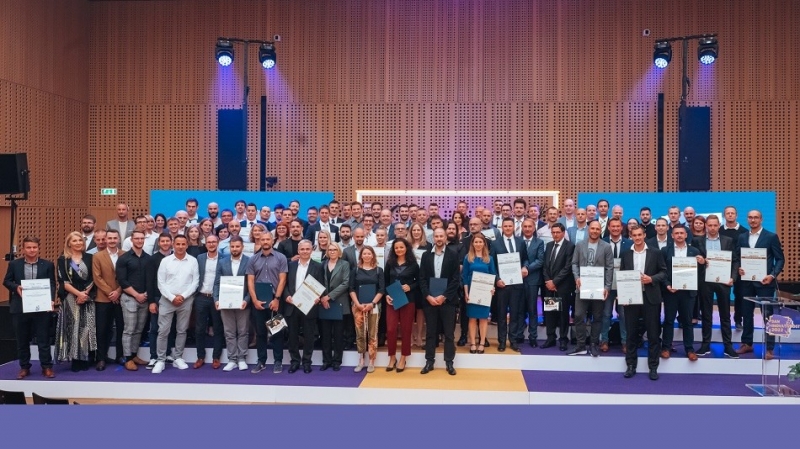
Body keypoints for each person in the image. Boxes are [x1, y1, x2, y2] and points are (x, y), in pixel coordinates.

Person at [3, 236, 57, 379]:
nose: (32, 250)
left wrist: (51, 300)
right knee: (22, 340)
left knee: (43, 339)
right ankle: (24, 367)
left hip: (41, 307)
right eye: (28, 247)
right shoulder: (14, 264)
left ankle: (46, 367)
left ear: (38, 248)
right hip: (20, 307)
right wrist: (16, 287)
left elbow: (52, 284)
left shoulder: (48, 264)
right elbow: (6, 281)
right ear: (23, 249)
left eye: (34, 247)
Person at [621, 225, 667, 381]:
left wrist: (651, 279)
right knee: (631, 334)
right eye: (634, 235)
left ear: (644, 235)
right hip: (631, 298)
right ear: (631, 236)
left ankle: (653, 367)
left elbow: (663, 272)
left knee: (653, 334)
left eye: (639, 235)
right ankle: (630, 365)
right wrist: (623, 296)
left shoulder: (655, 252)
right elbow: (622, 275)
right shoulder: (626, 254)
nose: (637, 238)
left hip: (651, 297)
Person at [691, 214, 740, 358]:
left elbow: (735, 260)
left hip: (723, 281)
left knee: (725, 315)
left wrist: (733, 277)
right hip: (705, 282)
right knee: (706, 314)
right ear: (706, 226)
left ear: (719, 226)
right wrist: (699, 261)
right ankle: (705, 344)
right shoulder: (697, 241)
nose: (712, 228)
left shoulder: (728, 240)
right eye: (710, 225)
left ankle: (728, 346)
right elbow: (692, 260)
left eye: (715, 225)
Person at [737, 210, 784, 359]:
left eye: (756, 217)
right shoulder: (742, 237)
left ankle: (770, 348)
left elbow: (780, 259)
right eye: (750, 217)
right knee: (746, 314)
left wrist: (772, 275)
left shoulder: (771, 236)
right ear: (747, 219)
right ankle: (747, 343)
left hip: (765, 282)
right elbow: (738, 257)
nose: (753, 220)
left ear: (761, 219)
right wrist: (739, 268)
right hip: (747, 282)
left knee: (768, 315)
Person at [152, 235, 200, 374]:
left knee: (182, 330)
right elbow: (161, 282)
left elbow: (195, 282)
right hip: (167, 300)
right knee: (163, 331)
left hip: (186, 300)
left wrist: (183, 296)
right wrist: (172, 297)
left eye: (183, 244)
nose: (180, 246)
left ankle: (178, 357)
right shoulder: (165, 261)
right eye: (177, 244)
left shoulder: (193, 261)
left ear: (187, 245)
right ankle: (160, 360)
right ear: (173, 245)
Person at [419, 228, 460, 375]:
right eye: (436, 236)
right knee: (431, 333)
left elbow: (456, 279)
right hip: (430, 301)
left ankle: (449, 362)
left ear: (445, 237)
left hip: (447, 301)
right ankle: (429, 362)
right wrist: (428, 296)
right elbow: (422, 279)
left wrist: (444, 296)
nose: (439, 238)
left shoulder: (453, 255)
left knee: (449, 334)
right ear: (433, 238)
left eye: (441, 236)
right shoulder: (425, 256)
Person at [660, 225, 703, 361]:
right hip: (671, 292)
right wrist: (667, 284)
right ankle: (666, 347)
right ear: (672, 235)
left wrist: (702, 263)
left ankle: (689, 349)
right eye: (676, 233)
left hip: (688, 292)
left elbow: (699, 272)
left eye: (681, 233)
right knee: (669, 320)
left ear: (686, 235)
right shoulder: (665, 250)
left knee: (687, 322)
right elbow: (662, 270)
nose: (679, 235)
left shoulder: (694, 251)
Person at [247, 231, 288, 374]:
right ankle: (261, 361)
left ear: (272, 241)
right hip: (258, 301)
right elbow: (250, 281)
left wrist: (277, 299)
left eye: (267, 239)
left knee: (277, 332)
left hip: (275, 300)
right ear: (259, 241)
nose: (265, 242)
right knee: (260, 333)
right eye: (262, 239)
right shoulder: (253, 259)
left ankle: (278, 361)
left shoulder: (281, 257)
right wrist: (254, 300)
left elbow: (282, 280)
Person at [570, 220, 613, 357]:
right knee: (578, 315)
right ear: (589, 229)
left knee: (597, 316)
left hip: (598, 287)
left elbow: (609, 268)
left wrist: (607, 286)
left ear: (600, 231)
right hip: (582, 286)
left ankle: (594, 344)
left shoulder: (606, 247)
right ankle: (581, 345)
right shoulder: (580, 245)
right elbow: (574, 263)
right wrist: (577, 277)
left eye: (597, 229)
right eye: (592, 228)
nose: (594, 231)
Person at [56, 231, 97, 372]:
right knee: (73, 327)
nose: (78, 243)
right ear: (69, 243)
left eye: (80, 240)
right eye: (74, 241)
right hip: (70, 297)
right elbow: (63, 281)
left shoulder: (90, 257)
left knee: (86, 328)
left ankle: (85, 358)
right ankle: (74, 358)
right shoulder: (63, 260)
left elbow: (94, 277)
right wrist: (78, 294)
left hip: (87, 297)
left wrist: (84, 294)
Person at [282, 240, 324, 374]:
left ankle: (306, 362)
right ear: (298, 251)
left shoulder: (318, 266)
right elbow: (284, 284)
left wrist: (318, 297)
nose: (305, 251)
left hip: (309, 306)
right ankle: (294, 361)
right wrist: (286, 296)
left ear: (311, 250)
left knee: (309, 336)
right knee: (292, 336)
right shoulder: (291, 265)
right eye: (302, 249)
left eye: (307, 249)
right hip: (292, 305)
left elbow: (321, 285)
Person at [115, 230, 151, 371]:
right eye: (137, 238)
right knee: (129, 330)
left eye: (142, 238)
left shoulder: (148, 258)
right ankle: (128, 358)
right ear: (131, 240)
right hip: (130, 298)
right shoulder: (124, 259)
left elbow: (151, 279)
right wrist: (137, 295)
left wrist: (145, 294)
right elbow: (122, 281)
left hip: (144, 299)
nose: (140, 241)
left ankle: (134, 355)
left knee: (138, 330)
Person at [491, 218, 529, 352]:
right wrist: (497, 279)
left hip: (517, 284)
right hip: (502, 285)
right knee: (501, 315)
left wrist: (525, 267)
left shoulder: (520, 242)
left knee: (515, 314)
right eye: (505, 226)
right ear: (502, 228)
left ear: (514, 227)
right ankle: (502, 341)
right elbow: (492, 264)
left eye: (510, 226)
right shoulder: (495, 243)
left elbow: (525, 259)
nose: (507, 228)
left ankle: (513, 341)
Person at [214, 236, 251, 371]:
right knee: (229, 332)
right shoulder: (222, 262)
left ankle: (241, 358)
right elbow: (217, 282)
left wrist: (246, 300)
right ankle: (232, 359)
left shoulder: (249, 261)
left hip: (243, 303)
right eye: (232, 246)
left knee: (243, 331)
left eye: (237, 246)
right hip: (226, 302)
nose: (235, 249)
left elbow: (252, 284)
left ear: (242, 247)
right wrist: (216, 299)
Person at [384, 238, 420, 373]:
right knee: (391, 329)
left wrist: (410, 287)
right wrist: (386, 295)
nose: (399, 250)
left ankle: (403, 357)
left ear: (406, 248)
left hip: (408, 300)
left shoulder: (413, 265)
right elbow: (385, 281)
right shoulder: (390, 263)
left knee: (406, 329)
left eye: (401, 247)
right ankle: (392, 357)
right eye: (396, 248)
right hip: (392, 299)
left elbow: (419, 281)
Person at [92, 228, 125, 370]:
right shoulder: (97, 256)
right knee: (102, 329)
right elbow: (97, 278)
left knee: (121, 328)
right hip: (103, 299)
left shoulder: (125, 254)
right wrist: (111, 293)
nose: (112, 241)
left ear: (119, 239)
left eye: (114, 238)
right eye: (109, 238)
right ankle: (101, 358)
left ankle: (120, 355)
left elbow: (127, 277)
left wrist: (118, 291)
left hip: (121, 297)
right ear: (105, 239)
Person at [349, 246, 384, 372]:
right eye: (364, 253)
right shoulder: (355, 270)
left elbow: (381, 289)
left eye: (369, 253)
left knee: (372, 334)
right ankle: (361, 360)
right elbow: (351, 288)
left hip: (373, 306)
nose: (367, 256)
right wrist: (357, 304)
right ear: (361, 256)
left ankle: (372, 361)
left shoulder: (379, 270)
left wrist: (372, 303)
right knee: (360, 333)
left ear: (373, 255)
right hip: (358, 306)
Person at [542, 223, 576, 351]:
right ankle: (550, 337)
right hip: (549, 286)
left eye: (557, 232)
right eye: (553, 232)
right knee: (550, 313)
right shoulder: (549, 245)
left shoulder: (570, 246)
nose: (555, 235)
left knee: (563, 314)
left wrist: (555, 282)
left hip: (563, 286)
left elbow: (568, 267)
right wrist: (548, 281)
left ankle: (563, 339)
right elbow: (545, 265)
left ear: (563, 233)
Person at [461, 233, 496, 355]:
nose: (478, 244)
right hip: (472, 291)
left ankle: (481, 343)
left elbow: (493, 274)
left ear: (484, 244)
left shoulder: (489, 259)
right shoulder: (468, 258)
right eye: (476, 242)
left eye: (480, 242)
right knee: (472, 318)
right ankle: (472, 343)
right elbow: (464, 276)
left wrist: (493, 288)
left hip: (485, 293)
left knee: (483, 318)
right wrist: (466, 292)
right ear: (472, 244)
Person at [319, 241, 351, 371]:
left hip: (339, 302)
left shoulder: (345, 264)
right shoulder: (322, 264)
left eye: (334, 249)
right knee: (325, 334)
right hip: (324, 303)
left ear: (339, 251)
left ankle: (337, 360)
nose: (332, 252)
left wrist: (329, 296)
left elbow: (345, 283)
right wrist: (323, 297)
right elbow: (317, 282)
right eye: (330, 250)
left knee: (338, 334)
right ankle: (326, 360)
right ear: (327, 252)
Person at [194, 234, 224, 369]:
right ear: (205, 244)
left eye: (214, 242)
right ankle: (200, 356)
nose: (211, 244)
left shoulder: (224, 258)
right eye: (209, 242)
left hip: (217, 298)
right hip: (201, 296)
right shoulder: (199, 258)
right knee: (200, 328)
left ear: (218, 243)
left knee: (218, 328)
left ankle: (216, 357)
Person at [521, 218, 545, 347]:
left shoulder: (539, 242)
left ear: (534, 228)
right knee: (518, 309)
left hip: (533, 279)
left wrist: (526, 269)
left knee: (532, 309)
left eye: (530, 226)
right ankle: (519, 334)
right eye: (525, 226)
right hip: (517, 279)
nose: (527, 229)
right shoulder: (517, 241)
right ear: (522, 228)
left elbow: (540, 260)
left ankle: (533, 336)